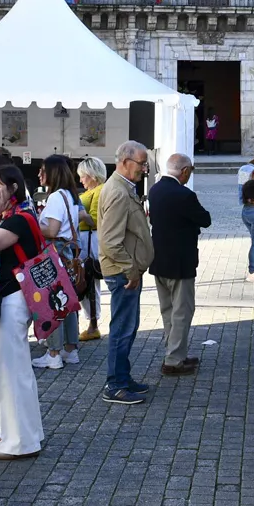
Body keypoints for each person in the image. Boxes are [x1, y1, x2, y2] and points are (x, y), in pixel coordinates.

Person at [0, 164, 47, 460]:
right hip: (14, 297)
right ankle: (19, 431)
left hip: (13, 299)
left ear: (13, 188)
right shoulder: (18, 215)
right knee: (11, 368)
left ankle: (21, 441)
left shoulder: (17, 219)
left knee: (12, 369)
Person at [99, 141, 153, 405]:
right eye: (142, 163)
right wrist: (131, 270)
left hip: (127, 271)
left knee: (127, 328)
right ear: (124, 161)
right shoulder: (118, 192)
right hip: (123, 273)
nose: (145, 169)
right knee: (122, 328)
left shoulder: (123, 188)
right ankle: (116, 385)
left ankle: (122, 377)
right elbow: (110, 242)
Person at [149, 153, 211, 376]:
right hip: (181, 262)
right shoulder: (184, 195)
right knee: (182, 311)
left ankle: (175, 352)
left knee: (168, 310)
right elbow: (205, 219)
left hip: (158, 259)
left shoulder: (155, 190)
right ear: (184, 171)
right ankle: (174, 360)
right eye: (190, 171)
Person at [31, 155, 84, 369]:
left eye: (42, 170)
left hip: (55, 254)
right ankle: (70, 349)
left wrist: (33, 224)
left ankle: (53, 353)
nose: (39, 174)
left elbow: (52, 230)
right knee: (69, 303)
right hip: (68, 252)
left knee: (53, 303)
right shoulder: (70, 196)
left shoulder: (54, 197)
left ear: (52, 172)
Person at [76, 157, 108, 340]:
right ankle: (91, 321)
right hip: (88, 242)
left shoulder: (99, 191)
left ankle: (92, 323)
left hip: (89, 244)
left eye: (83, 176)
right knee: (87, 283)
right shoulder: (97, 191)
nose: (81, 180)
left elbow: (96, 220)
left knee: (88, 283)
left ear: (91, 175)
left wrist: (79, 214)